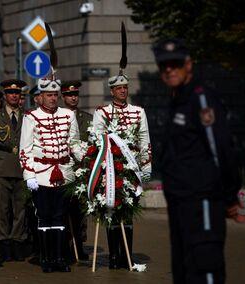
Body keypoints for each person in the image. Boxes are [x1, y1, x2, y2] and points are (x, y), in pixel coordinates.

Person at [152, 38, 245, 284]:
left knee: (204, 270)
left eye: (175, 64)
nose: (169, 69)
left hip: (202, 202)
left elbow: (222, 151)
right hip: (180, 205)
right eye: (164, 66)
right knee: (183, 271)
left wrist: (229, 197)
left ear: (188, 65)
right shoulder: (177, 101)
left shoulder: (201, 99)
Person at [19, 75, 81, 273]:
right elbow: (24, 150)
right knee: (45, 217)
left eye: (55, 94)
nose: (53, 98)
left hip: (64, 173)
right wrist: (29, 176)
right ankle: (46, 258)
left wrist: (89, 158)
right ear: (41, 96)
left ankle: (60, 258)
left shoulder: (68, 115)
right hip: (42, 174)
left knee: (60, 217)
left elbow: (75, 144)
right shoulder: (31, 117)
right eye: (49, 95)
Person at [92, 71, 152, 269]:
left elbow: (144, 140)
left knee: (128, 211)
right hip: (111, 167)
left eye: (125, 87)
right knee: (111, 209)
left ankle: (126, 255)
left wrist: (146, 167)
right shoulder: (102, 112)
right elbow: (97, 140)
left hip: (131, 168)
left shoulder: (138, 112)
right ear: (112, 91)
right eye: (119, 88)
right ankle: (113, 256)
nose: (123, 91)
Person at [0, 79, 28, 262]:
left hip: (23, 167)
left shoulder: (27, 116)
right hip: (2, 167)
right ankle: (3, 243)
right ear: (4, 96)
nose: (14, 95)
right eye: (11, 93)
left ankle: (18, 242)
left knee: (20, 208)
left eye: (17, 93)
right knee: (2, 209)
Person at [61, 80, 93, 261]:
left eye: (75, 95)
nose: (73, 98)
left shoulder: (87, 118)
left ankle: (80, 245)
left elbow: (92, 143)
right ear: (63, 97)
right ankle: (66, 246)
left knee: (81, 210)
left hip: (82, 169)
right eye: (69, 95)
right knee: (64, 209)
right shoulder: (59, 116)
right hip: (64, 168)